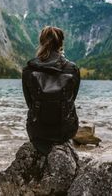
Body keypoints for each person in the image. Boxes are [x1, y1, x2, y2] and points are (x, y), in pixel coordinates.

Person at [22, 26, 80, 155]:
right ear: (61, 44)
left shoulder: (28, 70)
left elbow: (29, 103)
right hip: (65, 131)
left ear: (42, 42)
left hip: (37, 131)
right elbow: (72, 99)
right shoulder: (72, 69)